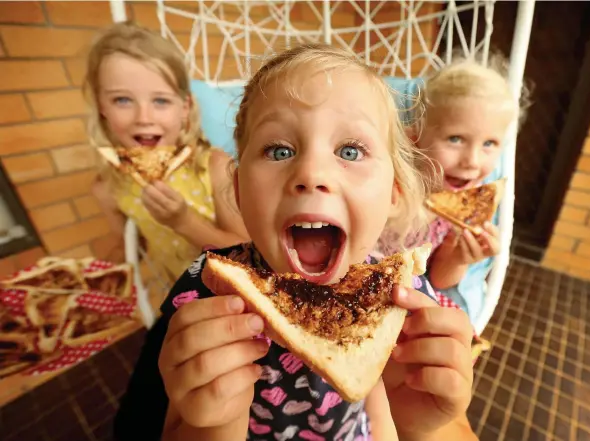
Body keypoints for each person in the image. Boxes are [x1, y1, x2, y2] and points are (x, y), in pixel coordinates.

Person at [114, 44, 478, 441]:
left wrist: (425, 428)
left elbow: (402, 414)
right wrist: (214, 423)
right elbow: (173, 427)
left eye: (350, 150)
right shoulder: (207, 289)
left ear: (393, 192)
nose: (311, 172)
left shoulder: (403, 297)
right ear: (238, 191)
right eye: (279, 150)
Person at [86, 22, 248, 284]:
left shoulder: (214, 166)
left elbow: (246, 255)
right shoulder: (108, 187)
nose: (144, 117)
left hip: (240, 293)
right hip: (180, 295)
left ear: (184, 108)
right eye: (122, 100)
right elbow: (129, 252)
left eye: (160, 101)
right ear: (101, 107)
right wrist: (98, 276)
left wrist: (183, 222)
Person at [376, 54, 526, 321]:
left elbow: (440, 280)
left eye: (489, 144)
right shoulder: (391, 180)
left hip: (408, 296)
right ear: (415, 137)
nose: (472, 161)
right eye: (455, 139)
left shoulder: (463, 210)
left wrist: (462, 257)